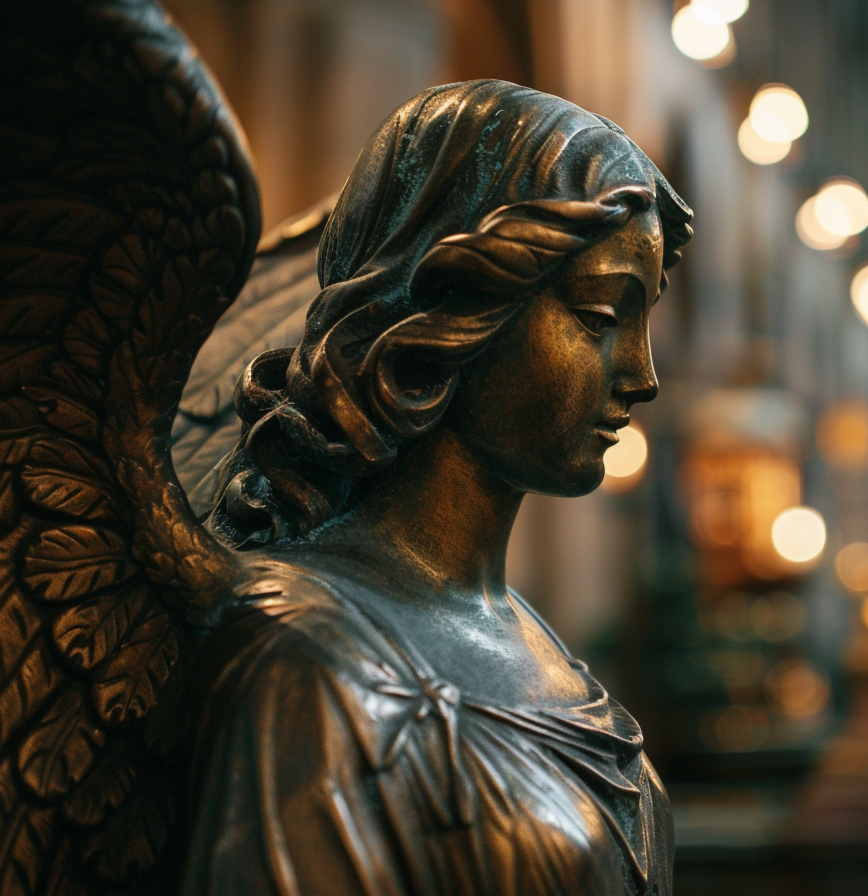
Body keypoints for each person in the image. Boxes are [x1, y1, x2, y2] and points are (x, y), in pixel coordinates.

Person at [183, 80, 693, 896]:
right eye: (601, 317)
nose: (643, 376)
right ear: (454, 306)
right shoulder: (312, 663)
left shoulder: (523, 634)